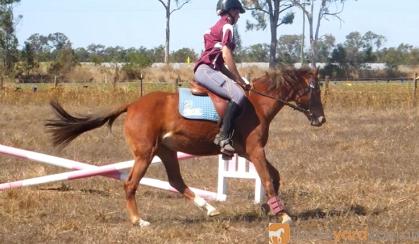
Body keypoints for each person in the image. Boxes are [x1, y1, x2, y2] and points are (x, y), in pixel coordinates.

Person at [193, 0, 249, 156]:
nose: (238, 16)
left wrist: (239, 80)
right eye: (237, 12)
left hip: (209, 70)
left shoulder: (215, 28)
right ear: (229, 11)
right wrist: (238, 79)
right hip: (207, 71)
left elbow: (221, 65)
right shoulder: (227, 27)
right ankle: (224, 138)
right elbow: (226, 54)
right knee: (238, 95)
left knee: (236, 90)